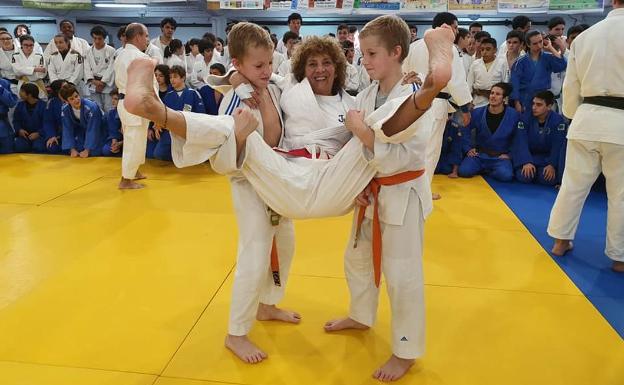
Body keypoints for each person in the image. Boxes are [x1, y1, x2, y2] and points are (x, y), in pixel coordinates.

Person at [121, 24, 453, 221]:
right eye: (312, 64)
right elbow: (248, 73)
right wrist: (237, 78)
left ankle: (430, 87)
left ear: (337, 67)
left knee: (368, 127)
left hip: (333, 182)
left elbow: (374, 148)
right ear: (300, 69)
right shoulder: (287, 87)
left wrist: (360, 133)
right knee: (236, 130)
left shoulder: (354, 101)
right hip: (285, 177)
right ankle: (154, 109)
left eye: (326, 63)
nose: (320, 69)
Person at [322, 15, 430, 382]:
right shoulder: (369, 93)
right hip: (371, 190)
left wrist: (360, 129)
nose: (363, 61)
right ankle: (361, 314)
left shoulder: (414, 98)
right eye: (362, 53)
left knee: (402, 275)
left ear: (396, 52)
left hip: (401, 192)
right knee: (357, 259)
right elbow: (354, 138)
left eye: (372, 53)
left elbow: (396, 151)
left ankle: (406, 350)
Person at [547, 0, 624, 273]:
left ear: (613, 2)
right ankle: (619, 257)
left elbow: (571, 85)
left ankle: (560, 241)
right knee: (621, 194)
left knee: (572, 185)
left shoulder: (587, 36)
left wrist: (574, 115)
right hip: (620, 125)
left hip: (585, 119)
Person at [403, 12, 472, 200]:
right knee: (430, 149)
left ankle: (407, 189)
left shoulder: (414, 46)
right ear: (445, 27)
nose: (456, 32)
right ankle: (422, 192)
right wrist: (465, 108)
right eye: (455, 27)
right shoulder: (446, 47)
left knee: (412, 148)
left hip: (411, 102)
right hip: (435, 103)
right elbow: (455, 80)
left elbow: (404, 75)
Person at [114, 23, 155, 189]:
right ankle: (126, 180)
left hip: (124, 101)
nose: (147, 39)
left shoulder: (120, 55)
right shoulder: (141, 57)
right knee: (133, 140)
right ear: (137, 36)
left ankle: (135, 170)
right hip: (136, 102)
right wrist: (157, 107)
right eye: (145, 36)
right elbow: (151, 86)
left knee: (137, 137)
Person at [458, 82, 519, 182]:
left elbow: (519, 138)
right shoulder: (478, 112)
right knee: (464, 171)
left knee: (506, 176)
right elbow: (465, 129)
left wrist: (510, 154)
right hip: (479, 155)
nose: (493, 96)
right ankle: (483, 168)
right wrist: (468, 148)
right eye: (492, 93)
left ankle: (488, 170)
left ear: (504, 98)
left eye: (497, 94)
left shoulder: (513, 115)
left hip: (499, 157)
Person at [512, 91, 567, 185]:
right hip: (529, 156)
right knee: (524, 177)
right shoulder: (525, 118)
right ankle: (533, 171)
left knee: (548, 179)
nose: (534, 107)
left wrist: (552, 164)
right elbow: (521, 142)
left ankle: (538, 173)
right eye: (533, 103)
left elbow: (558, 145)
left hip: (546, 159)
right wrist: (526, 161)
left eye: (539, 105)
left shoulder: (558, 121)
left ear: (549, 106)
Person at [155, 65, 205, 161]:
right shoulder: (167, 96)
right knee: (159, 154)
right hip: (170, 133)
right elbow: (162, 115)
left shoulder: (193, 94)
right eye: (170, 77)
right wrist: (157, 124)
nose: (172, 80)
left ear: (183, 78)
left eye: (175, 77)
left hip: (188, 132)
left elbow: (201, 116)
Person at [510, 31, 566, 114]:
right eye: (535, 43)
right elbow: (515, 83)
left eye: (541, 41)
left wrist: (550, 48)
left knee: (543, 124)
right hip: (525, 98)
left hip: (543, 98)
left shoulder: (548, 57)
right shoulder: (520, 62)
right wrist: (516, 102)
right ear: (528, 45)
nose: (539, 46)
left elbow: (562, 65)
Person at [60, 83, 104, 158]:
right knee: (78, 149)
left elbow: (93, 129)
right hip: (83, 131)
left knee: (95, 152)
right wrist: (72, 149)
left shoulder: (91, 107)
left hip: (100, 129)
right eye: (71, 99)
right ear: (66, 101)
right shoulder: (65, 109)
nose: (76, 100)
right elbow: (67, 129)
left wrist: (87, 150)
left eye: (76, 96)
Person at [85, 26, 116, 112]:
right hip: (93, 83)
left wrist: (102, 83)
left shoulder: (111, 51)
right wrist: (93, 81)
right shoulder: (88, 51)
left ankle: (109, 125)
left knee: (109, 108)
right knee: (96, 108)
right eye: (95, 38)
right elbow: (86, 68)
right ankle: (99, 125)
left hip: (106, 84)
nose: (97, 41)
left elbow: (111, 68)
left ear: (104, 38)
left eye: (100, 38)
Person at [467, 37, 505, 108]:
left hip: (497, 102)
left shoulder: (502, 64)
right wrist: (469, 102)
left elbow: (505, 83)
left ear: (495, 50)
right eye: (482, 49)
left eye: (488, 49)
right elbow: (469, 84)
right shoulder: (475, 64)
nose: (484, 52)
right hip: (477, 102)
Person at [13, 83, 46, 153]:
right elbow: (16, 121)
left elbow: (48, 123)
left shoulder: (44, 106)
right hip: (24, 136)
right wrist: (19, 130)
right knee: (18, 147)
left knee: (39, 148)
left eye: (22, 91)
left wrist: (39, 133)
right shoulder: (20, 105)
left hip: (40, 136)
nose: (19, 93)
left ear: (29, 95)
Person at [12, 35, 47, 99]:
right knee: (22, 102)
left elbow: (42, 73)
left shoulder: (39, 56)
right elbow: (16, 71)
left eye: (31, 45)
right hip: (23, 83)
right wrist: (35, 69)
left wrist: (23, 72)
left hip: (37, 83)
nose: (29, 47)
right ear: (21, 45)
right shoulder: (15, 56)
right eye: (26, 45)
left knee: (41, 101)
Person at [42, 79, 67, 154]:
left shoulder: (73, 99)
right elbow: (48, 122)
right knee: (51, 147)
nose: (68, 88)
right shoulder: (51, 103)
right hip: (58, 135)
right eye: (65, 87)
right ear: (58, 91)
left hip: (72, 134)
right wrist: (52, 136)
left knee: (68, 149)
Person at [102, 90, 123, 157]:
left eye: (116, 99)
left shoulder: (130, 113)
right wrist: (114, 143)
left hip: (129, 140)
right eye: (112, 99)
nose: (113, 101)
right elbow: (113, 131)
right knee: (106, 150)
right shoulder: (111, 113)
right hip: (118, 139)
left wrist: (120, 144)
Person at [0, 77, 17, 153]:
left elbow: (12, 103)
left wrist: (1, 90)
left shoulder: (3, 83)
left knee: (7, 149)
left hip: (2, 123)